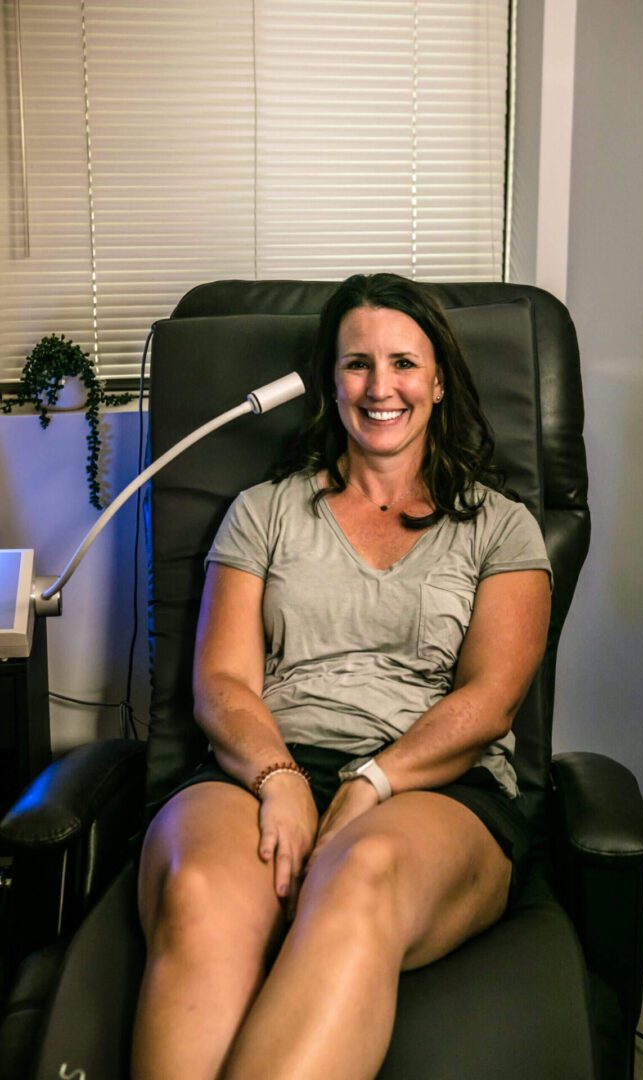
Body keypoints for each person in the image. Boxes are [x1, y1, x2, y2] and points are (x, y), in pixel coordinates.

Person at [131, 273, 552, 1080]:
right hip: (260, 769)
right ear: (331, 380)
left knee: (357, 877)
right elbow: (220, 681)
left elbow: (491, 700)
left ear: (436, 381)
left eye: (402, 363)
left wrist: (372, 783)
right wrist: (280, 776)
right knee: (201, 898)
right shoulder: (264, 512)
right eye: (357, 363)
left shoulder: (502, 526)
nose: (380, 385)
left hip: (432, 789)